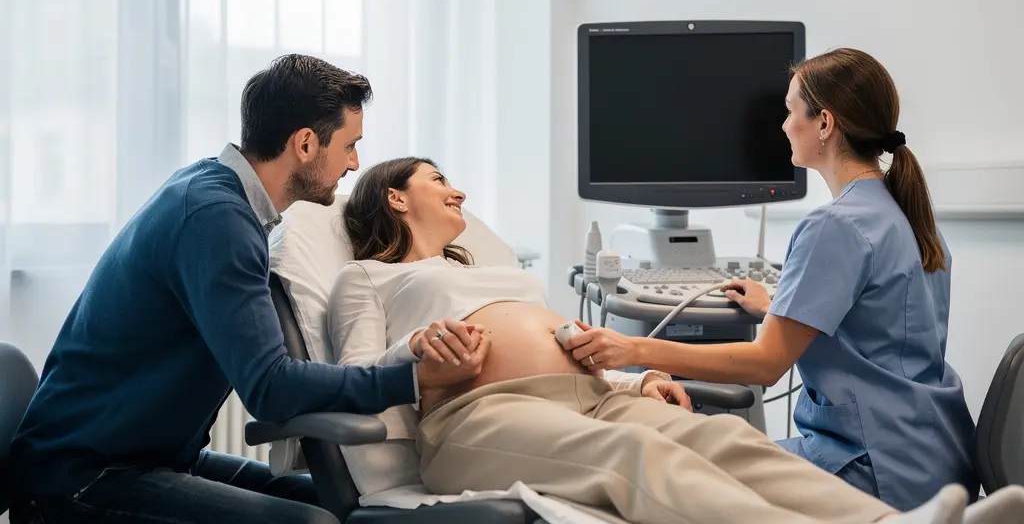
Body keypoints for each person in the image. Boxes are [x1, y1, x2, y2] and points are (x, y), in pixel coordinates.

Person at [327, 155, 1019, 524]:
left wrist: (635, 378)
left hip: (590, 396)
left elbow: (568, 343)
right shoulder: (366, 279)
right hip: (480, 416)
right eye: (440, 181)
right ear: (395, 196)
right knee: (632, 453)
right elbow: (355, 378)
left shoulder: (502, 270)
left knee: (728, 439)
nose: (460, 194)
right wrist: (417, 356)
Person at [8, 55, 483, 524]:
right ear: (304, 143)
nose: (355, 164)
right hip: (81, 478)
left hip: (145, 459)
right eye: (349, 146)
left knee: (338, 506)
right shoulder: (216, 218)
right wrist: (413, 380)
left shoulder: (214, 190)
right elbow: (271, 387)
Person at [560, 48, 979, 511]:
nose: (782, 125)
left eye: (790, 110)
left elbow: (766, 365)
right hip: (937, 459)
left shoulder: (835, 226)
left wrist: (632, 349)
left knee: (677, 473)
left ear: (824, 124)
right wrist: (778, 306)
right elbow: (886, 324)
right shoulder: (912, 215)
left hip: (872, 467)